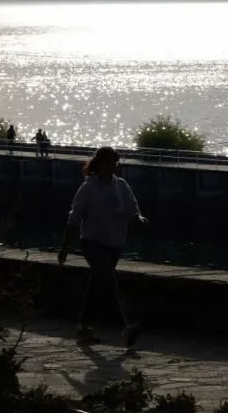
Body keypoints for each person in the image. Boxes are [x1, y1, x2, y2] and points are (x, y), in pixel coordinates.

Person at [57, 146, 148, 347]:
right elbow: (74, 218)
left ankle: (84, 327)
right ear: (100, 164)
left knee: (97, 283)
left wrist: (139, 220)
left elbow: (132, 210)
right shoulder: (88, 188)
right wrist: (64, 247)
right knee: (108, 280)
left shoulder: (121, 186)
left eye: (116, 164)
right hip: (93, 242)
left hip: (114, 243)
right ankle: (125, 327)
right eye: (110, 164)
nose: (114, 167)